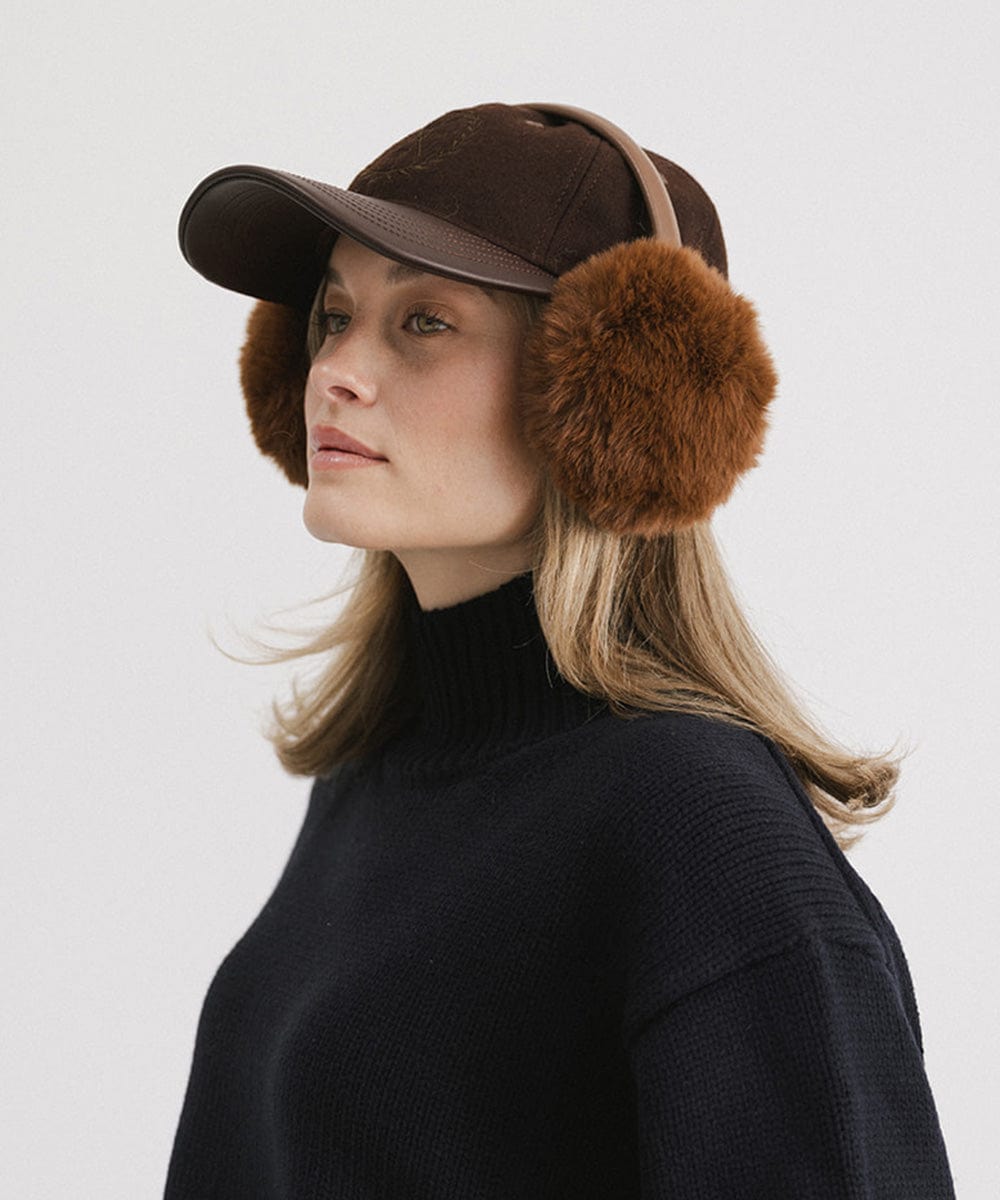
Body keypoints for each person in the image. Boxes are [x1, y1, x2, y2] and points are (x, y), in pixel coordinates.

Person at [165, 103, 954, 1198]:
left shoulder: (697, 830)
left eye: (424, 322)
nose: (336, 369)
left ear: (612, 399)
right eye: (334, 314)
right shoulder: (378, 780)